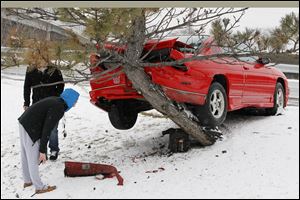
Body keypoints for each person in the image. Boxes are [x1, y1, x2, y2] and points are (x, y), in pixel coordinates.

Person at [18, 88, 80, 194]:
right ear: (70, 99)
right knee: (33, 156)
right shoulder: (59, 107)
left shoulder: (56, 101)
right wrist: (42, 151)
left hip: (24, 121)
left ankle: (28, 181)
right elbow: (47, 129)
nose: (75, 104)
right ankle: (39, 187)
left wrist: (43, 149)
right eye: (75, 101)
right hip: (31, 126)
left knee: (25, 153)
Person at [23, 63, 64, 160]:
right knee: (38, 128)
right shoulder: (30, 69)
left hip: (52, 105)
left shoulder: (54, 69)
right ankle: (42, 152)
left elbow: (61, 85)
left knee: (53, 129)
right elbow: (26, 87)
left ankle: (54, 150)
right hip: (37, 104)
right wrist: (27, 103)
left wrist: (56, 97)